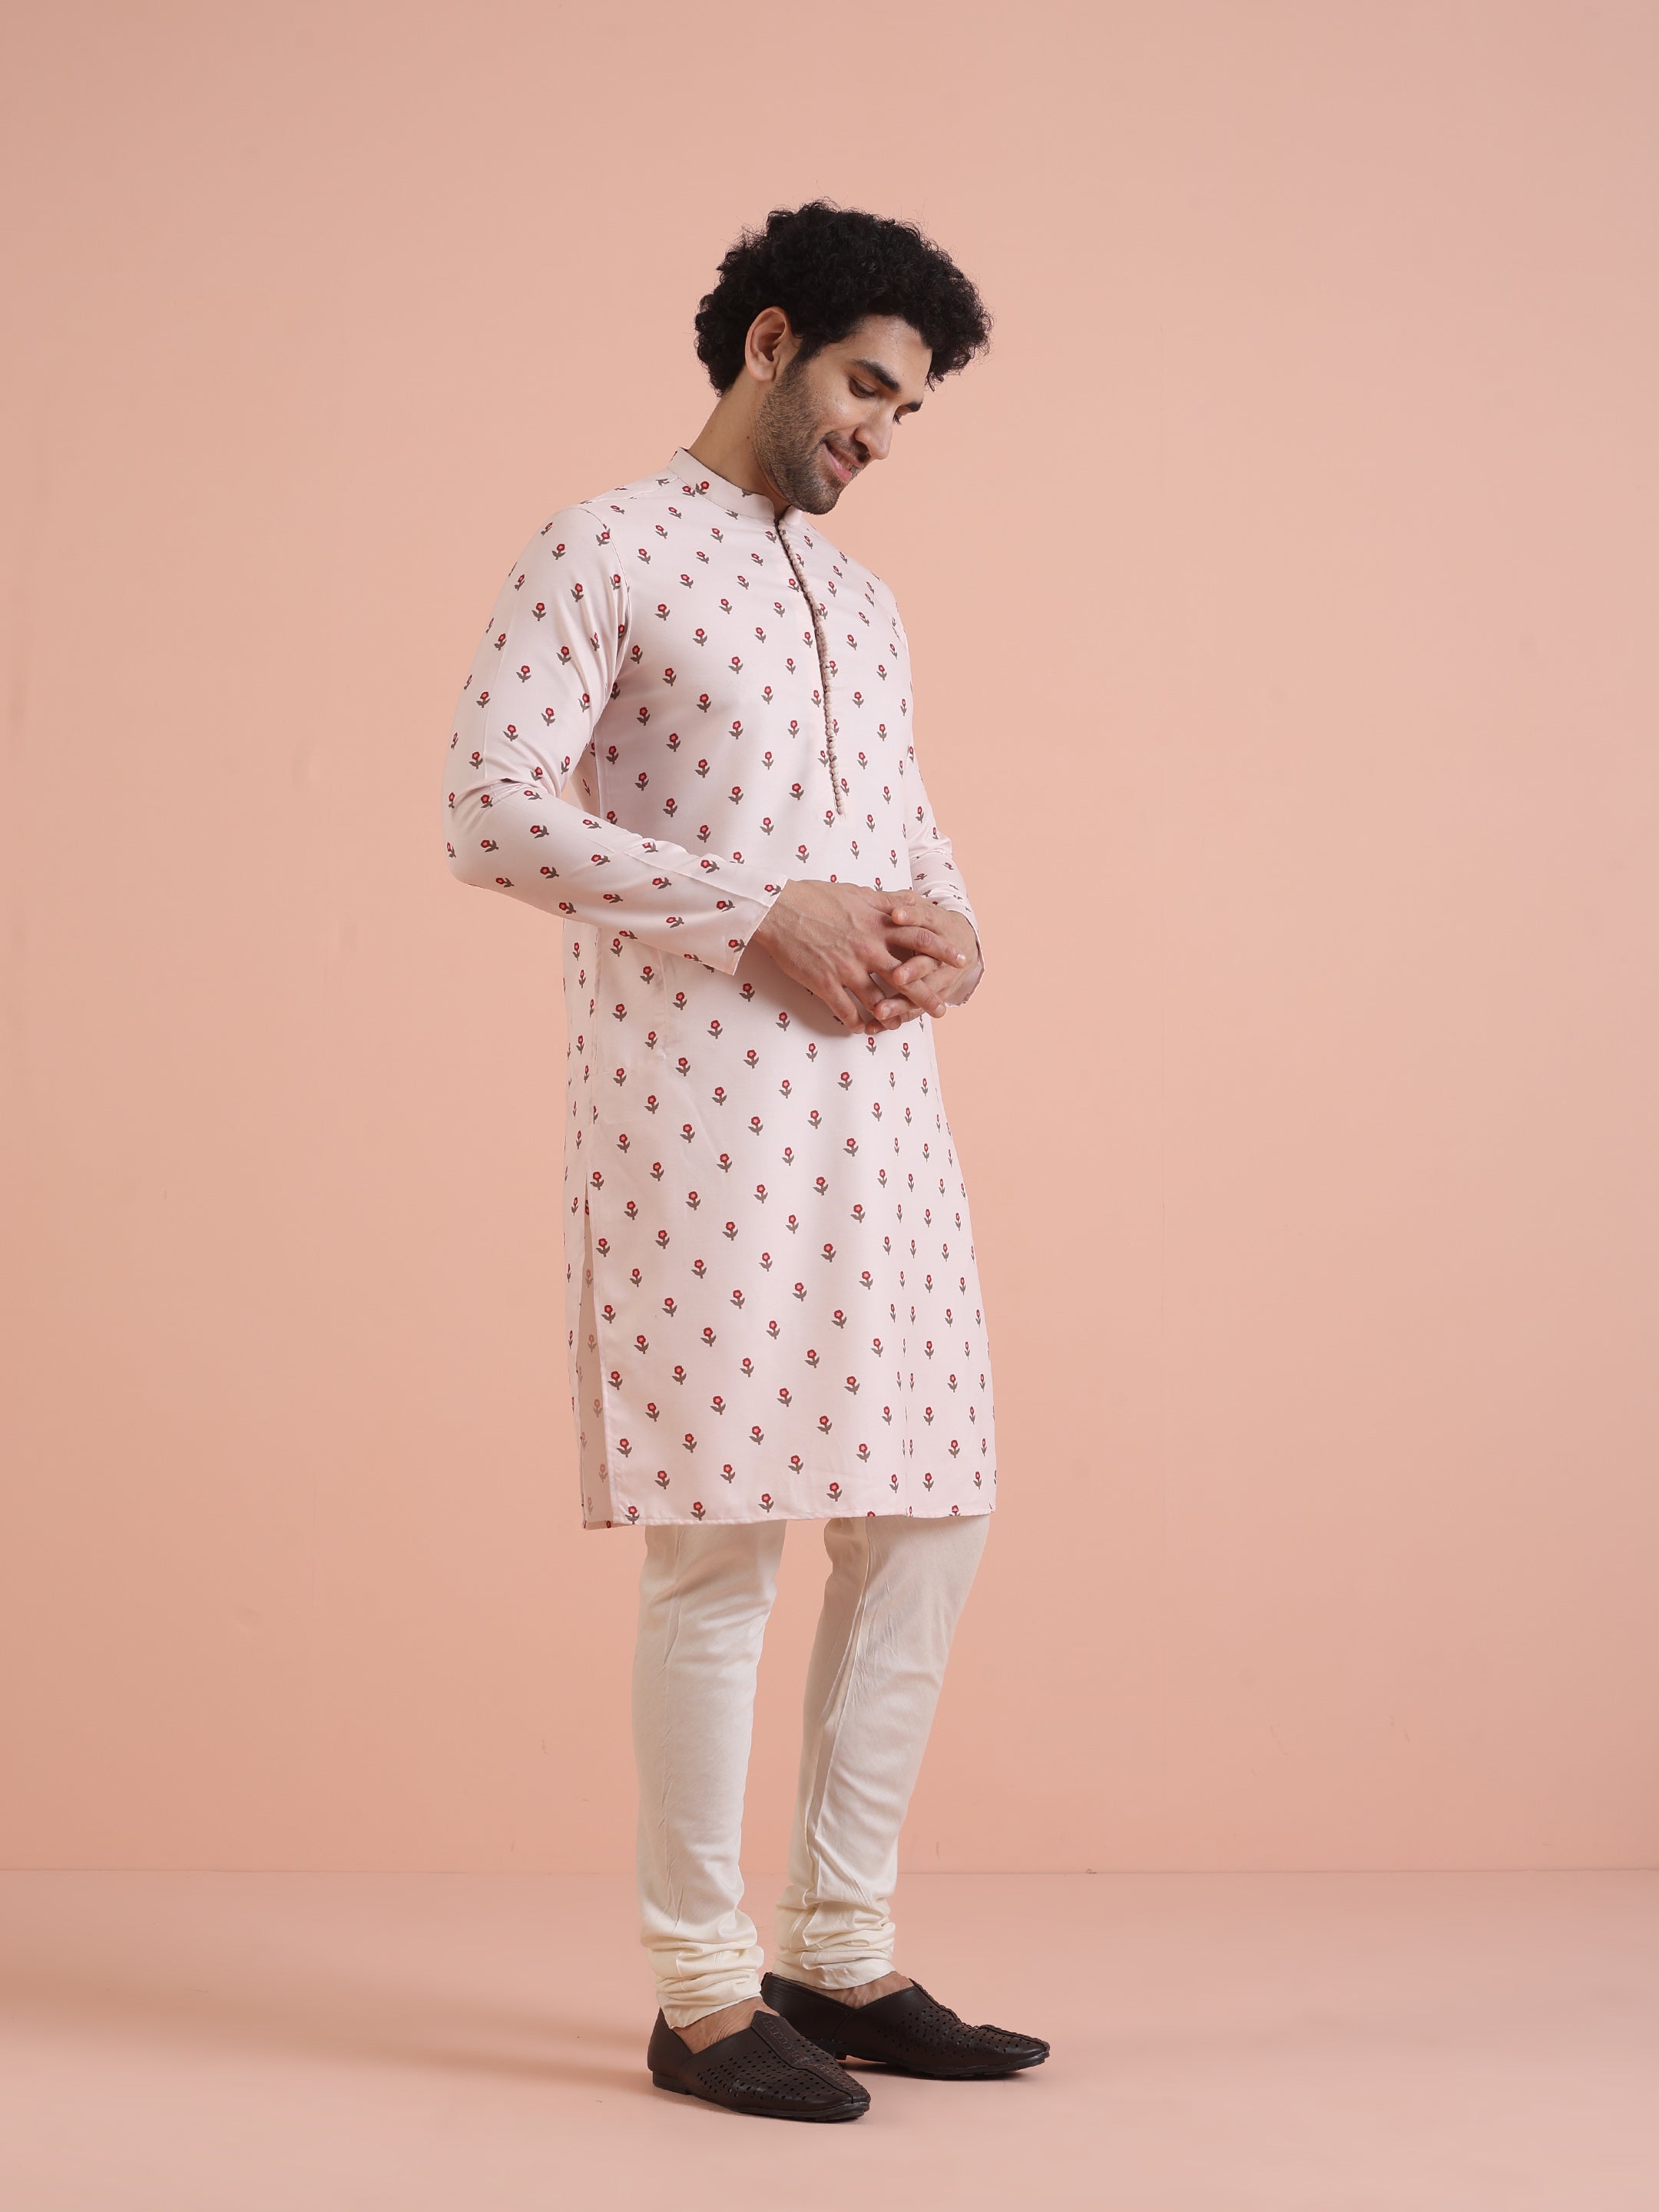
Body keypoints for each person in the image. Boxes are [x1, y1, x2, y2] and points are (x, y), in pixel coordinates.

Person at [442, 200, 1048, 2121]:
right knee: (722, 1546)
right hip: (696, 1108)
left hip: (881, 1116)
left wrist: (959, 935)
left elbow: (907, 833)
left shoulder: (863, 605)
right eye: (868, 386)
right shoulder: (602, 547)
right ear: (770, 341)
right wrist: (751, 914)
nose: (882, 433)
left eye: (910, 411)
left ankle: (838, 1953)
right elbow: (486, 810)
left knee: (928, 1516)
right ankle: (703, 1995)